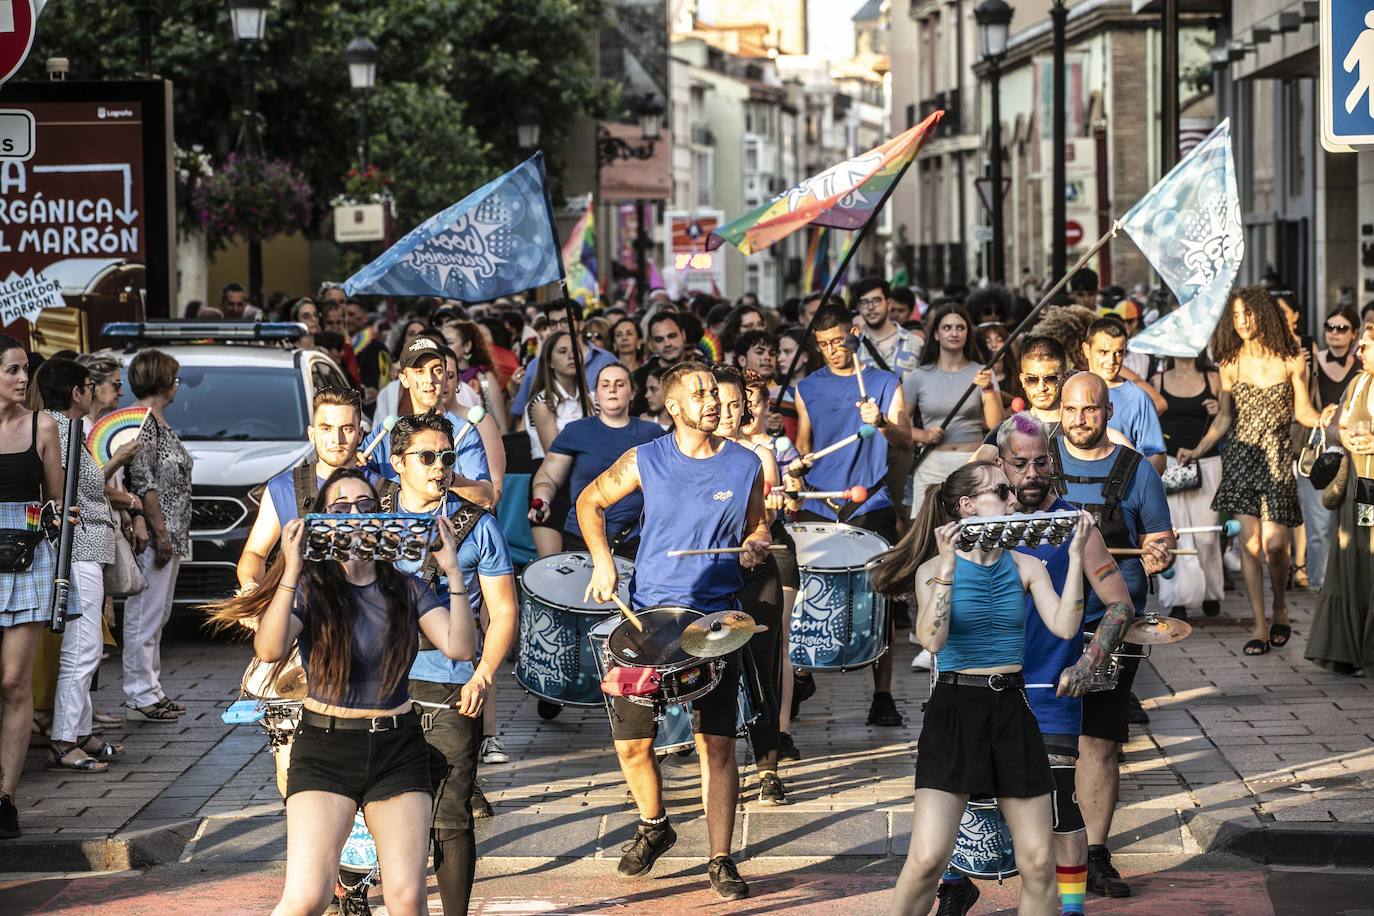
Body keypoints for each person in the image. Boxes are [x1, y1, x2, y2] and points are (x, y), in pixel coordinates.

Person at [209, 469, 477, 916]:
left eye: (365, 506)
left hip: (397, 747)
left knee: (408, 899)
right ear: (322, 521)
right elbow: (270, 647)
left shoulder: (406, 586)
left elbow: (461, 646)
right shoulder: (312, 588)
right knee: (306, 899)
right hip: (325, 747)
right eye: (340, 508)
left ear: (381, 519)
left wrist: (451, 570)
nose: (354, 515)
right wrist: (293, 568)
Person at [578, 361, 769, 901]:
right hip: (648, 621)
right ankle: (655, 823)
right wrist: (602, 562)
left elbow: (758, 524)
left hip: (715, 622)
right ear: (674, 407)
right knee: (634, 746)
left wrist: (755, 542)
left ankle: (720, 858)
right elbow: (588, 501)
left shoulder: (744, 463)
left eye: (715, 392)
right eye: (700, 393)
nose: (712, 400)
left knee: (717, 745)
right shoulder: (645, 458)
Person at [931, 415, 1134, 915]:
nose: (1031, 473)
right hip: (978, 687)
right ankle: (956, 882)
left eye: (1042, 461)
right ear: (1000, 464)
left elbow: (1120, 604)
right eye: (1019, 463)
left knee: (1062, 807)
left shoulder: (1074, 525)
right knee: (962, 799)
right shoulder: (976, 523)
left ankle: (1070, 910)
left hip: (1049, 689)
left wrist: (1089, 662)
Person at [871, 460, 1094, 916]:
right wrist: (949, 567)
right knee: (929, 858)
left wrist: (1074, 558)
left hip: (1011, 708)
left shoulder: (1027, 564)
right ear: (967, 506)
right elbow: (932, 640)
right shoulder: (933, 566)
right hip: (955, 709)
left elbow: (1066, 625)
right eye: (1001, 492)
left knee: (1036, 861)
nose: (1014, 500)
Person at [379, 414, 518, 914]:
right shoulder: (365, 516)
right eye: (427, 456)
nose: (441, 467)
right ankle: (349, 901)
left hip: (449, 685)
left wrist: (483, 675)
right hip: (373, 684)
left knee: (449, 813)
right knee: (360, 806)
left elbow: (503, 611)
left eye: (447, 456)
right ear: (397, 463)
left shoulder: (476, 524)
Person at [1053, 372, 1175, 899]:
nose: (1081, 419)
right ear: (1059, 409)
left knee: (1098, 742)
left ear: (1109, 411)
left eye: (1092, 409)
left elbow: (1160, 539)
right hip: (1044, 621)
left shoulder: (1137, 471)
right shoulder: (1038, 463)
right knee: (1043, 742)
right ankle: (1042, 849)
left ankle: (1096, 856)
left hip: (1112, 623)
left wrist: (1160, 553)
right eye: (1071, 409)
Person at [1178, 287, 1333, 656]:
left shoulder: (1291, 358)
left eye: (1248, 314)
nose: (1242, 322)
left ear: (1263, 314)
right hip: (1242, 457)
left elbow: (1304, 412)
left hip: (1277, 457)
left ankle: (1281, 605)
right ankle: (1260, 625)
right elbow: (1224, 418)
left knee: (1276, 545)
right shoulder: (1229, 361)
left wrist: (1327, 417)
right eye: (1236, 317)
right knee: (1249, 544)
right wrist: (1198, 449)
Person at [793, 303, 913, 727]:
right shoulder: (807, 387)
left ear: (855, 334)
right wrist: (798, 462)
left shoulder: (883, 382)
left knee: (879, 597)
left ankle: (882, 696)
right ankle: (798, 675)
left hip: (869, 503)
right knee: (805, 597)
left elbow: (906, 441)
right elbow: (804, 444)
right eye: (822, 344)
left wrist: (879, 420)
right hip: (819, 502)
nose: (831, 350)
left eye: (838, 341)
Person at [38, 359, 123, 773]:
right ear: (77, 392)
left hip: (86, 547)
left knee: (86, 644)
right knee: (82, 647)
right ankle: (64, 738)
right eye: (90, 386)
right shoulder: (58, 430)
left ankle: (80, 730)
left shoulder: (67, 429)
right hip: (76, 549)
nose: (92, 393)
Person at [0, 336, 68, 838]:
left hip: (26, 559)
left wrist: (64, 514)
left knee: (13, 683)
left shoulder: (43, 426)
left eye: (26, 370)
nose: (24, 379)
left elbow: (57, 500)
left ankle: (5, 797)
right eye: (13, 371)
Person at [714, 365, 791, 806]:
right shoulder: (692, 455)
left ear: (747, 405)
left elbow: (764, 523)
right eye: (718, 403)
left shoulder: (757, 455)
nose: (726, 412)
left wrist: (757, 537)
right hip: (708, 574)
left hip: (754, 571)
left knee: (762, 667)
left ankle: (767, 768)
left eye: (734, 404)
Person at [123, 348, 194, 723]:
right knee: (144, 615)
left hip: (173, 533)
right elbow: (144, 481)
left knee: (159, 613)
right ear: (163, 382)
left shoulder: (157, 422)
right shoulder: (143, 423)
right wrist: (159, 531)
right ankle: (139, 691)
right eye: (175, 378)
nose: (177, 385)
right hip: (155, 536)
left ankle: (152, 687)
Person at [529, 363, 666, 556]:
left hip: (635, 540)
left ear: (633, 393)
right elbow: (549, 474)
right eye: (605, 384)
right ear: (596, 394)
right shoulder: (575, 431)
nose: (612, 389)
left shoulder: (654, 434)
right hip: (581, 536)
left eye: (620, 384)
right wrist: (542, 499)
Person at [238, 388, 366, 589]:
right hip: (298, 612)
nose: (337, 439)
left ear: (360, 435)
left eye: (347, 429)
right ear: (312, 434)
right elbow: (255, 554)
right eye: (326, 428)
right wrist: (250, 589)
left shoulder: (380, 489)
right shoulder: (281, 488)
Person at [1306, 323, 1374, 676]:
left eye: (1364, 346)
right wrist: (1341, 431)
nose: (1357, 353)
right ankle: (1350, 650)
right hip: (1362, 491)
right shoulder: (1359, 382)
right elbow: (1334, 427)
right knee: (1358, 557)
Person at [359, 336, 494, 508]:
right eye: (419, 371)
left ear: (445, 375)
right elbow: (352, 479)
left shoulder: (464, 431)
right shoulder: (385, 433)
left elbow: (486, 498)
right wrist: (352, 461)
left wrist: (445, 475)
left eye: (436, 370)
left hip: (449, 529)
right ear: (404, 379)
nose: (429, 379)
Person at [904, 302, 1004, 521]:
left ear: (968, 333)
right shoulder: (919, 377)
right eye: (947, 327)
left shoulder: (983, 373)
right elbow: (898, 425)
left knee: (975, 529)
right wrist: (923, 435)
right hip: (931, 464)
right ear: (936, 334)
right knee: (930, 531)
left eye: (960, 327)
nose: (954, 333)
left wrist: (987, 388)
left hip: (972, 464)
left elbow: (996, 423)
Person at [1151, 356, 1225, 618]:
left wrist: (1218, 410)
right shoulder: (1157, 380)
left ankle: (1211, 592)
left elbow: (1228, 420)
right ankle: (1178, 598)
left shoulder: (1213, 378)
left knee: (1207, 534)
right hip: (1170, 462)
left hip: (1207, 462)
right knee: (1175, 531)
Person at [1293, 306, 1361, 590]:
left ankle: (1351, 584)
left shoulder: (1363, 369)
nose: (1334, 333)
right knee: (1319, 527)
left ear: (1354, 334)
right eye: (1329, 327)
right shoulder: (1313, 362)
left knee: (1352, 526)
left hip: (1356, 454)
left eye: (1342, 328)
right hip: (1319, 453)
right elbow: (1300, 405)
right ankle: (1321, 585)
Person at [524, 330, 592, 557]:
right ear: (550, 361)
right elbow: (554, 450)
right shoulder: (542, 402)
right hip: (551, 482)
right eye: (562, 352)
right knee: (552, 565)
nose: (571, 356)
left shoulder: (592, 400)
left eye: (575, 352)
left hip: (584, 483)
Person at [1080, 317, 1168, 473]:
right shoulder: (1071, 390)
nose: (1111, 360)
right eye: (1103, 352)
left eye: (1118, 353)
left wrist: (1133, 485)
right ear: (1087, 350)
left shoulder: (1138, 398)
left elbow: (1157, 457)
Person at [509, 300, 618, 423]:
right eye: (553, 323)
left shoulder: (606, 360)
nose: (559, 327)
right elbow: (521, 414)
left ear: (580, 325)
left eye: (565, 321)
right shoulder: (536, 365)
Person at [853, 276, 923, 381]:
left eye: (876, 300)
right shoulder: (853, 350)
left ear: (889, 304)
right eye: (864, 302)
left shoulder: (916, 344)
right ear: (858, 307)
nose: (870, 307)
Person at [450, 320, 509, 436]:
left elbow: (502, 427)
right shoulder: (435, 380)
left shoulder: (484, 378)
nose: (442, 346)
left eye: (449, 342)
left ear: (467, 346)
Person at [630, 311, 690, 415]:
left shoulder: (703, 371)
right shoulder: (638, 379)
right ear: (652, 343)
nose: (667, 344)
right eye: (659, 339)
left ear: (683, 335)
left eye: (672, 336)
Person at [639, 365, 672, 431]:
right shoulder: (644, 421)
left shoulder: (687, 424)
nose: (646, 395)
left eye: (653, 389)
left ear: (669, 390)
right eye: (647, 389)